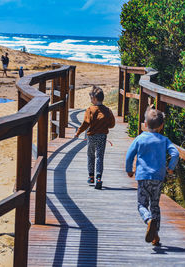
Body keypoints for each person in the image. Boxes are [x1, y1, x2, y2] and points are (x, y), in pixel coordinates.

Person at [125, 107, 179, 246]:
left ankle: (148, 220)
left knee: (142, 204)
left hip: (143, 177)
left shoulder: (140, 138)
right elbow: (175, 154)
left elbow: (129, 155)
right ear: (161, 126)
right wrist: (171, 168)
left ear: (145, 124)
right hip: (158, 178)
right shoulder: (164, 140)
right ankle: (155, 236)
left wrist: (129, 169)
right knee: (155, 205)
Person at [74, 86, 115, 190]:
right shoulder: (107, 110)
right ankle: (98, 178)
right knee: (99, 156)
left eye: (91, 98)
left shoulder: (90, 110)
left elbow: (86, 123)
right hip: (102, 136)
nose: (90, 100)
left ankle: (91, 176)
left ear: (95, 99)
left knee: (90, 155)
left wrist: (78, 132)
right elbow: (112, 124)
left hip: (91, 136)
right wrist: (105, 125)